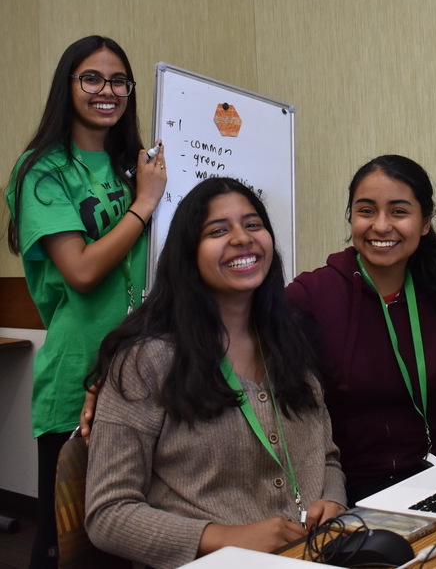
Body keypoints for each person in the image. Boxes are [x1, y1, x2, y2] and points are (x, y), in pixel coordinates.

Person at [84, 177, 346, 568]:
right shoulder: (147, 360)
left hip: (310, 555)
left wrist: (334, 500)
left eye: (254, 224)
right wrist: (222, 538)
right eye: (218, 230)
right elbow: (107, 513)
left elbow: (325, 458)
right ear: (188, 254)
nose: (242, 238)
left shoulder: (292, 344)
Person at [5, 35, 167, 567]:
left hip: (149, 369)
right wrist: (144, 203)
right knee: (67, 545)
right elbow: (80, 270)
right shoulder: (43, 170)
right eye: (92, 78)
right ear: (67, 86)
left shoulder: (138, 164)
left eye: (119, 80)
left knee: (136, 535)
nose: (107, 90)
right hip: (78, 374)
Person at [285, 154, 436, 506]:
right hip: (346, 492)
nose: (381, 226)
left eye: (398, 211)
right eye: (366, 211)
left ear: (425, 222)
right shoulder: (309, 296)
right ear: (351, 218)